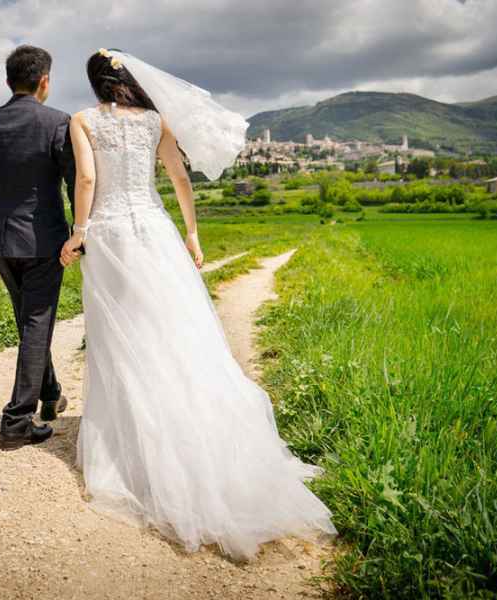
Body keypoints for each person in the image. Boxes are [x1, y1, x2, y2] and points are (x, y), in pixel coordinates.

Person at [59, 49, 336, 561]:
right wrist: (191, 234)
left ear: (95, 83)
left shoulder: (82, 120)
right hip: (155, 232)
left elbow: (88, 181)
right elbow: (181, 180)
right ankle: (196, 428)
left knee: (121, 334)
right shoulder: (158, 121)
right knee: (172, 329)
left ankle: (134, 441)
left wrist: (79, 234)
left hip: (113, 235)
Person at [0, 45, 72, 450]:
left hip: (1, 242)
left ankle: (49, 395)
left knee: (29, 321)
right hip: (44, 240)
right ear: (44, 81)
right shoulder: (57, 122)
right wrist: (80, 234)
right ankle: (16, 422)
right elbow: (73, 180)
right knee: (35, 323)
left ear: (9, 81)